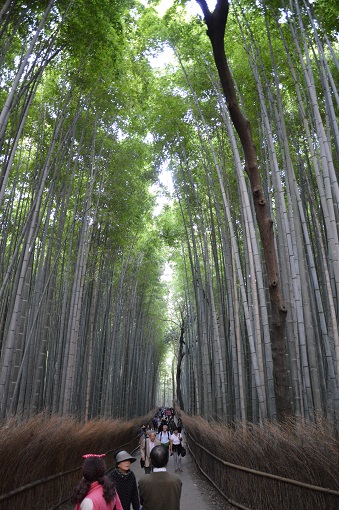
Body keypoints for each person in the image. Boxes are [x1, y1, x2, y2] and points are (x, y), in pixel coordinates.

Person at [138, 445, 182, 510]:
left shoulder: (143, 480)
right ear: (167, 461)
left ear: (151, 461)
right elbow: (177, 498)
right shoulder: (176, 479)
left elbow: (142, 501)